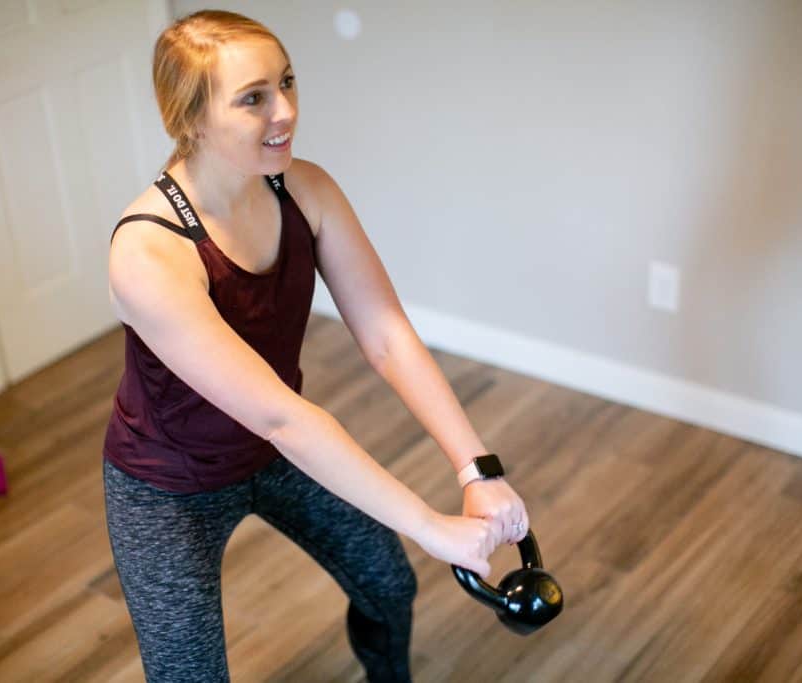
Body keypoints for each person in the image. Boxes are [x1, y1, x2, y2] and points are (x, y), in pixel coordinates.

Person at [102, 9, 530, 682]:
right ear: (191, 119)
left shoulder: (307, 189)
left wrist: (477, 468)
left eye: (288, 82)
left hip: (269, 455)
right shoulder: (149, 250)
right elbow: (281, 413)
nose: (287, 111)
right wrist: (430, 524)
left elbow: (386, 334)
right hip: (169, 485)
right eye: (253, 98)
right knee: (189, 673)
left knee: (387, 584)